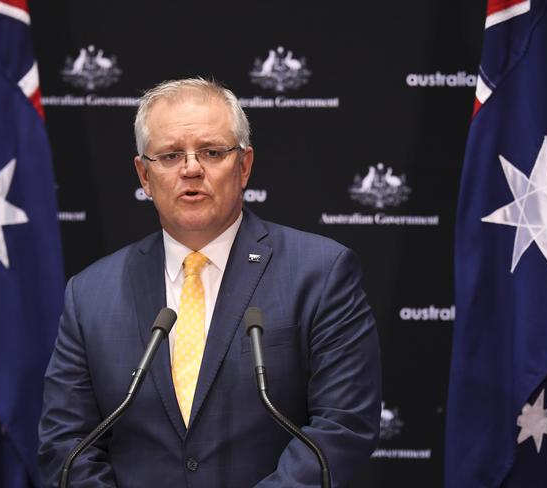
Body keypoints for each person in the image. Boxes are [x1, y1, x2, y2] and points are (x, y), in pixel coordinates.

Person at [38, 77, 381, 487]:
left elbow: (342, 427)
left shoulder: (321, 273)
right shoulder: (90, 294)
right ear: (144, 176)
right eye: (169, 156)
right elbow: (66, 442)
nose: (191, 169)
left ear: (244, 165)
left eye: (212, 152)